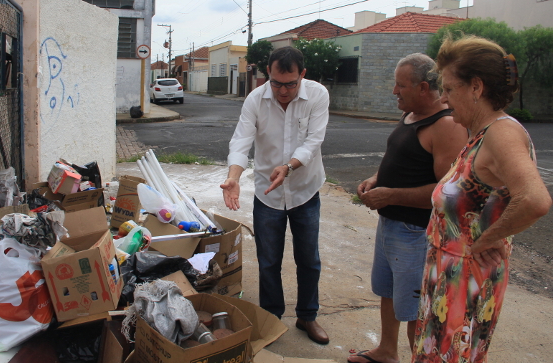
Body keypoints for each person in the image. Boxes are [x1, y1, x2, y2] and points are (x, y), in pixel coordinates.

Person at [411, 36, 552, 362]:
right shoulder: (479, 132)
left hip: (466, 280)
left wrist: (489, 238)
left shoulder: (501, 133)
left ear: (476, 87)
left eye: (448, 89)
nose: (443, 99)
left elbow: (535, 200)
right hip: (447, 275)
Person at [349, 53, 468, 363]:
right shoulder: (411, 115)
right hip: (391, 226)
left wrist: (392, 195)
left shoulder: (446, 126)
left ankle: (420, 358)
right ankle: (388, 351)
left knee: (416, 306)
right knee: (388, 292)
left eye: (401, 86)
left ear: (424, 87)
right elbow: (405, 160)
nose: (394, 92)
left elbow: (448, 190)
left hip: (416, 232)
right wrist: (377, 180)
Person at [221, 46, 330, 344]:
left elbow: (314, 140)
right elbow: (241, 140)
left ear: (302, 75)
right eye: (276, 83)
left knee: (308, 258)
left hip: (305, 190)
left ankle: (308, 316)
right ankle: (271, 318)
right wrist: (233, 177)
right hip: (267, 194)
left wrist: (288, 166)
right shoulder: (255, 99)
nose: (283, 90)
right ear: (267, 74)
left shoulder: (318, 95)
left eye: (290, 84)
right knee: (268, 260)